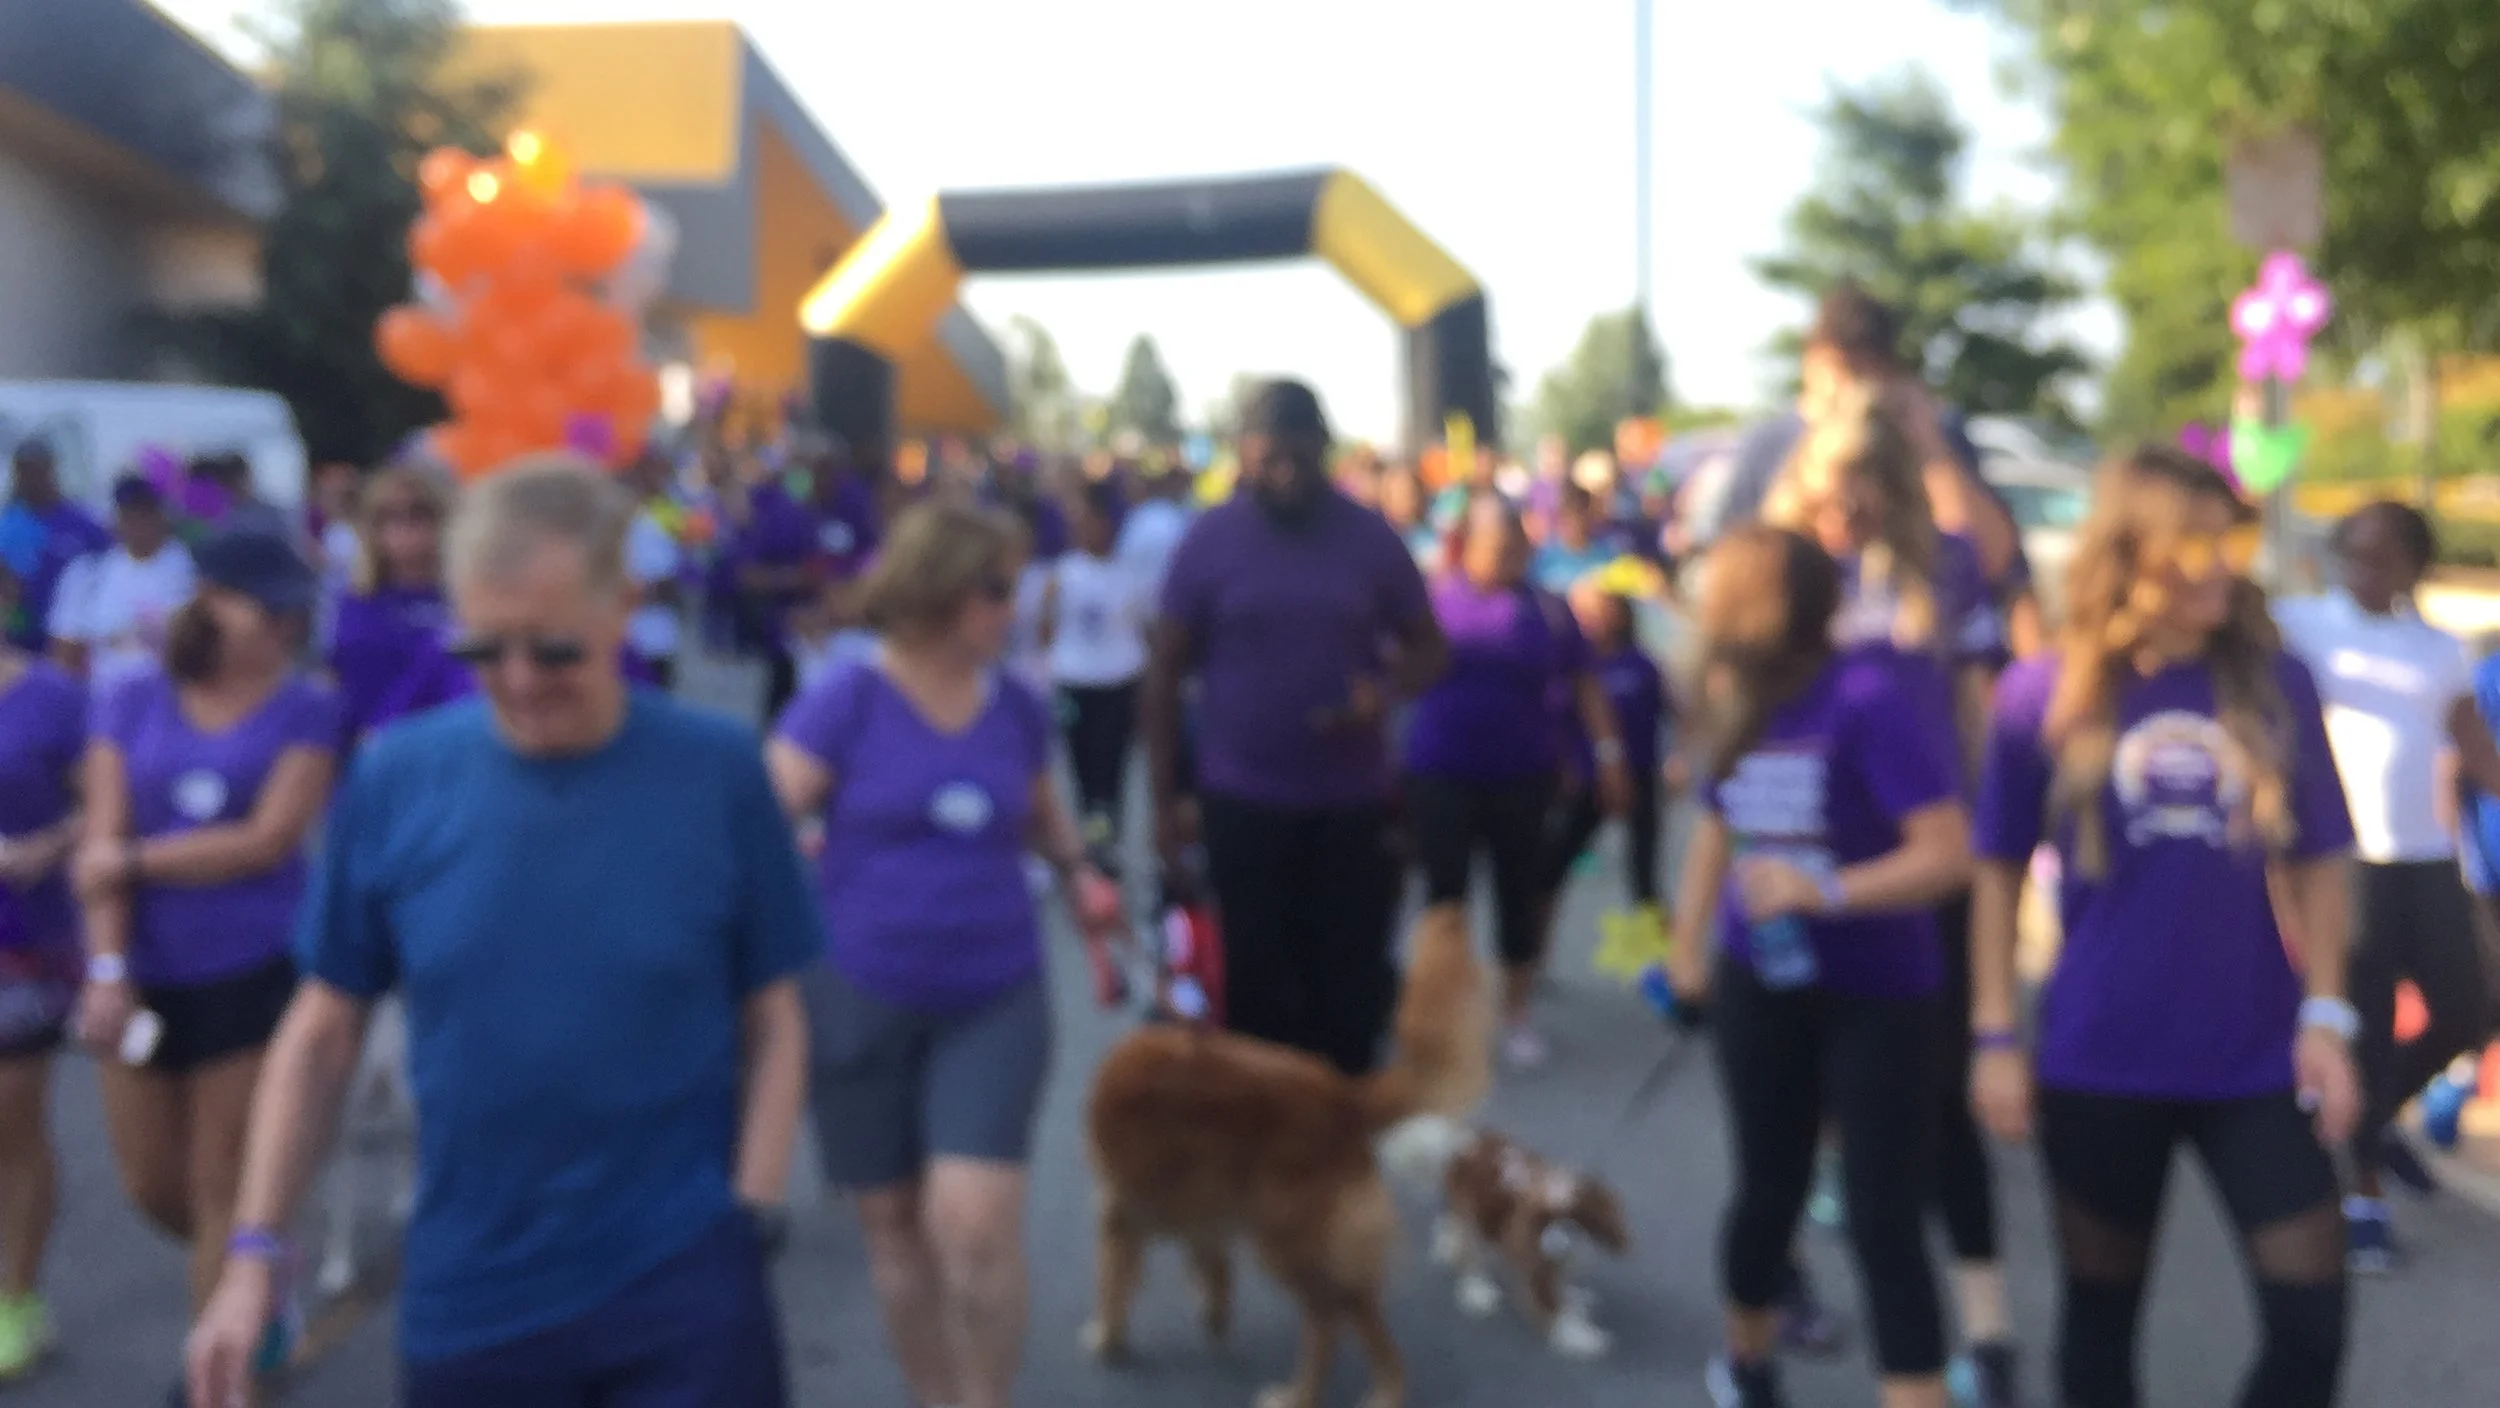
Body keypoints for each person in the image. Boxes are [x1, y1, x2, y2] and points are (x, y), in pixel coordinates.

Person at [185, 457, 817, 1408]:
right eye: (485, 649)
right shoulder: (399, 778)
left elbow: (773, 1012)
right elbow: (321, 1032)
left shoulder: (718, 773)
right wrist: (252, 1255)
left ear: (623, 606)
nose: (519, 681)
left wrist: (751, 1204)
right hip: (474, 1293)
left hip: (681, 1278)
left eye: (555, 650)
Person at [1969, 446, 2359, 1408]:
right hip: (2101, 1054)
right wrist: (1994, 1036)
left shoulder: (2276, 682)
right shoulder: (2042, 693)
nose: (2221, 564)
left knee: (2311, 1323)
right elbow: (1995, 872)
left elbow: (2323, 856)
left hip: (2257, 1053)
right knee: (2101, 1320)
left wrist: (2328, 1016)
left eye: (2231, 540)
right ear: (2129, 556)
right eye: (2193, 545)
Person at [767, 499, 1120, 1408]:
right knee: (894, 1226)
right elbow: (755, 824)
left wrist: (1080, 872)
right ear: (938, 591)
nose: (1015, 606)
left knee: (974, 1225)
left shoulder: (1018, 707)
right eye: (997, 588)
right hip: (857, 991)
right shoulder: (846, 701)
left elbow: (1043, 814)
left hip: (993, 991)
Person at [1664, 526, 1972, 1408]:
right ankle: (1748, 1361)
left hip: (1881, 992)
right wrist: (1686, 946)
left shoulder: (1866, 699)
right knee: (1769, 1191)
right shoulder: (1733, 701)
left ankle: (1913, 1389)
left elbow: (1947, 852)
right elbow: (1716, 825)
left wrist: (1826, 890)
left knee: (1883, 1213)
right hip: (1761, 982)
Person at [1761, 392, 2021, 1401]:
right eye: (1831, 489)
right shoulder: (1781, 572)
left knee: (1940, 1100)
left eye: (1867, 486)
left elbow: (1980, 710)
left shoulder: (1946, 567)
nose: (1848, 509)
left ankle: (1987, 1329)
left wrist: (1994, 837)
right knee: (1788, 1097)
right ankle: (1775, 1280)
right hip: (1799, 865)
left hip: (1922, 865)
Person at [68, 530, 337, 1399]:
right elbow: (100, 841)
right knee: (154, 1186)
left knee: (224, 1184)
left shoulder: (308, 708)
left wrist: (137, 861)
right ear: (211, 602)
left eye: (291, 610)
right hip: (146, 973)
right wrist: (107, 969)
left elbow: (267, 839)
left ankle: (217, 1375)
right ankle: (263, 1268)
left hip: (251, 965)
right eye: (266, 607)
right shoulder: (131, 696)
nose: (284, 625)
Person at [1145, 379, 1449, 1076]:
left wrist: (1386, 690)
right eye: (1270, 458)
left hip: (1351, 806)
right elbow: (1163, 675)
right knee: (1255, 995)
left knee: (1348, 993)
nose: (1286, 473)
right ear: (1242, 454)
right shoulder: (1208, 541)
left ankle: (1341, 1128)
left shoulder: (1370, 538)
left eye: (1300, 457)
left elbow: (1431, 648)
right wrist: (1165, 806)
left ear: (1325, 450)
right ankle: (1270, 1133)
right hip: (1242, 803)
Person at [2275, 501, 2500, 1271]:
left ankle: (2374, 1120)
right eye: (2353, 554)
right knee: (2365, 1027)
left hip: (2427, 859)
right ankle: (2362, 1201)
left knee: (2472, 1007)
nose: (2364, 570)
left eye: (2382, 558)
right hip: (2346, 861)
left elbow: (2476, 748)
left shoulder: (2440, 649)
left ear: (2414, 567)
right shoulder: (2301, 625)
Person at [1404, 493, 1628, 1070]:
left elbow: (1586, 684)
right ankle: (1444, 1016)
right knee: (1446, 899)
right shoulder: (1434, 600)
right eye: (1495, 549)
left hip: (1522, 775)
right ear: (1468, 548)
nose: (1507, 560)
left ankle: (1515, 1011)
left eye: (1516, 549)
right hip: (1441, 771)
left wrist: (1608, 756)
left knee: (1517, 893)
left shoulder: (1548, 610)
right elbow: (1396, 669)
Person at [1696, 284, 2025, 598]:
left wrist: (1930, 445)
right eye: (1840, 370)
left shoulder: (1930, 435)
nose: (1850, 390)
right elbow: (1733, 573)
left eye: (1867, 373)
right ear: (1810, 364)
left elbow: (1993, 560)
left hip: (1908, 623)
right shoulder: (1771, 443)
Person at [0, 562, 83, 1379]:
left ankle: (17, 1298)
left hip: (23, 941)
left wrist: (45, 846)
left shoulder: (51, 695)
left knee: (11, 1119)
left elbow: (105, 803)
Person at [1046, 480, 1152, 858]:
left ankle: (1107, 837)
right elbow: (1046, 628)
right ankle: (1090, 836)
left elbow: (1144, 629)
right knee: (1081, 765)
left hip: (1118, 683)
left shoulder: (1128, 576)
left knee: (1111, 765)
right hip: (1075, 683)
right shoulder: (1062, 574)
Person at [325, 466, 460, 749]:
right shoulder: (355, 601)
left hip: (439, 747)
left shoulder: (467, 601)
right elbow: (334, 679)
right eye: (386, 516)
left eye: (418, 513)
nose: (403, 528)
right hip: (360, 752)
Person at [46, 476, 197, 688]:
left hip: (171, 695)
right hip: (104, 696)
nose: (138, 523)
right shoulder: (89, 572)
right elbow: (65, 648)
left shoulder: (192, 572)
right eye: (129, 514)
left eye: (146, 513)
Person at [0, 442, 112, 652]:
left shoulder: (82, 522)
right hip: (20, 637)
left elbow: (114, 564)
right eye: (23, 470)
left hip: (72, 639)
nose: (30, 478)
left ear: (51, 470)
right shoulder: (7, 525)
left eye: (36, 470)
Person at [621, 452, 687, 692]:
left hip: (650, 645)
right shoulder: (592, 533)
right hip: (613, 648)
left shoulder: (647, 529)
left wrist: (615, 594)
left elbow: (668, 586)